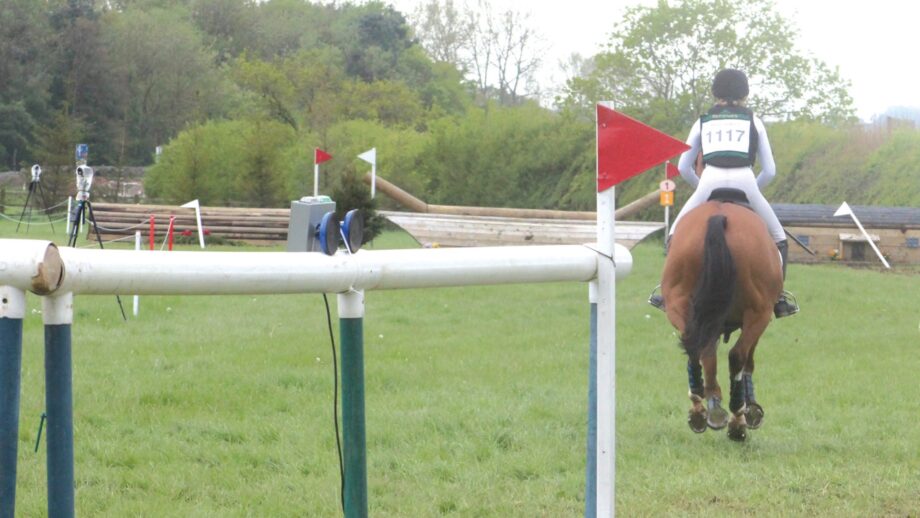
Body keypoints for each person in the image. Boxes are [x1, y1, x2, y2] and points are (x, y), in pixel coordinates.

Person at [649, 68, 798, 318]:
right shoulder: (754, 121)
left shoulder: (703, 121)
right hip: (746, 182)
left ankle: (665, 292)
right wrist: (751, 192)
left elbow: (684, 167)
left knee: (674, 234)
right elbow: (770, 171)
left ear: (715, 93)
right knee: (779, 237)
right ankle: (779, 298)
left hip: (709, 181)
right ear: (744, 94)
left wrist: (703, 189)